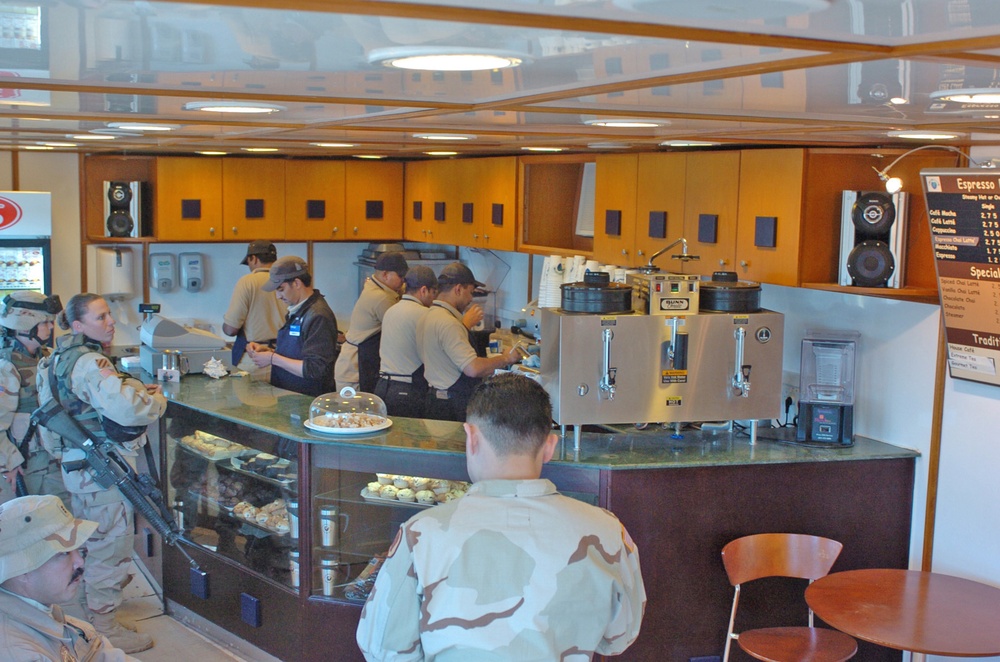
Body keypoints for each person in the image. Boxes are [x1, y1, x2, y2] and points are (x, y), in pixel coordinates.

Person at [356, 373, 646, 660]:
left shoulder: (420, 534)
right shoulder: (607, 530)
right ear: (549, 447)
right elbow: (619, 638)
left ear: (470, 438)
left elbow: (383, 650)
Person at [35, 293, 166, 654]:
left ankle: (88, 611)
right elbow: (131, 409)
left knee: (90, 541)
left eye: (108, 315)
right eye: (100, 317)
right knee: (109, 546)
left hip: (78, 467)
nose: (110, 322)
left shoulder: (54, 360)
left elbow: (49, 421)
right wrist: (158, 399)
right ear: (78, 326)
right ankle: (105, 628)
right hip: (103, 469)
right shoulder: (91, 362)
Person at [0, 495, 135, 661]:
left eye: (77, 550)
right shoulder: (19, 653)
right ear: (21, 570)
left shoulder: (43, 611)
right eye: (64, 553)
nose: (79, 562)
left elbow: (95, 652)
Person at [417, 262, 521, 422]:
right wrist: (506, 358)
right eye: (470, 292)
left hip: (435, 399)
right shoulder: (448, 322)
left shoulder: (428, 315)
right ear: (458, 289)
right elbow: (473, 369)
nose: (471, 299)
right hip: (450, 405)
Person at [0, 292, 69, 506]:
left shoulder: (48, 357)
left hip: (51, 461)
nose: (50, 328)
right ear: (24, 325)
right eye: (45, 322)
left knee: (59, 523)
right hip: (19, 467)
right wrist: (8, 463)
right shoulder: (6, 367)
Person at [247, 256, 338, 397]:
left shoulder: (318, 315)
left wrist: (272, 358)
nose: (278, 296)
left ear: (296, 283)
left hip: (307, 399)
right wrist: (269, 351)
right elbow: (300, 351)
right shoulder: (298, 309)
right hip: (290, 396)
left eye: (281, 289)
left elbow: (315, 369)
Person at [335, 252, 408, 393]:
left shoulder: (373, 287)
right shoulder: (381, 298)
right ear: (385, 275)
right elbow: (400, 329)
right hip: (355, 369)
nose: (403, 281)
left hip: (354, 363)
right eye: (400, 276)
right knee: (357, 414)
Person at [373, 265, 437, 418]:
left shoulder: (391, 310)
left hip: (382, 387)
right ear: (423, 290)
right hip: (406, 391)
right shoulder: (425, 314)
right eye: (433, 293)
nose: (434, 299)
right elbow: (436, 354)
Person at [222, 240, 287, 378]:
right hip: (284, 358)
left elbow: (230, 329)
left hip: (254, 359)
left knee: (250, 399)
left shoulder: (247, 282)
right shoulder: (288, 281)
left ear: (254, 258)